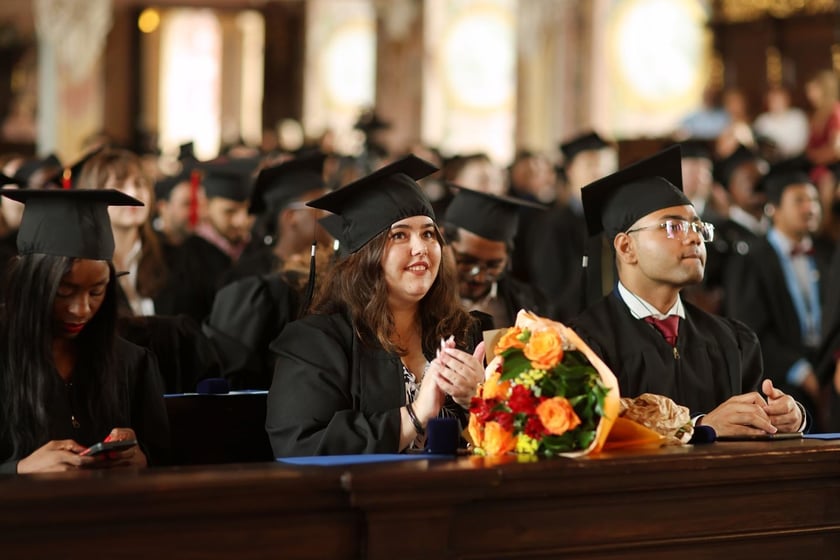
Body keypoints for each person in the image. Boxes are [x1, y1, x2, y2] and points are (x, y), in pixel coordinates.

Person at [570, 146, 805, 437]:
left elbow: (758, 430)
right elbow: (592, 434)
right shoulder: (583, 343)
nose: (694, 238)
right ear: (626, 247)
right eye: (672, 227)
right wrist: (698, 429)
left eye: (698, 227)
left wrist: (786, 417)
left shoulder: (733, 339)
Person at [266, 155, 487, 456]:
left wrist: (485, 399)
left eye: (428, 233)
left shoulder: (467, 334)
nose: (420, 248)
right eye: (399, 235)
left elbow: (519, 444)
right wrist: (415, 415)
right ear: (364, 255)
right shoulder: (316, 345)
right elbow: (300, 444)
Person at [0, 188, 169, 474]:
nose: (81, 309)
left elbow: (166, 462)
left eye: (96, 291)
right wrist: (19, 469)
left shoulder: (131, 363)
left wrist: (141, 459)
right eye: (64, 292)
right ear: (32, 285)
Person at [727, 164, 831, 427]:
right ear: (773, 209)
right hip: (779, 381)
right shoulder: (750, 260)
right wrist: (802, 371)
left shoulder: (828, 255)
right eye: (799, 200)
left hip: (829, 370)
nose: (811, 208)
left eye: (814, 200)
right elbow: (749, 330)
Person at [76, 148, 168, 317]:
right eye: (118, 185)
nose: (133, 193)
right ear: (93, 194)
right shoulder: (77, 264)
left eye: (140, 184)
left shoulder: (171, 255)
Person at [442, 187, 548, 328]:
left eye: (493, 266)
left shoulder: (532, 304)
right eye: (467, 261)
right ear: (442, 244)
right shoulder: (416, 302)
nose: (478, 277)